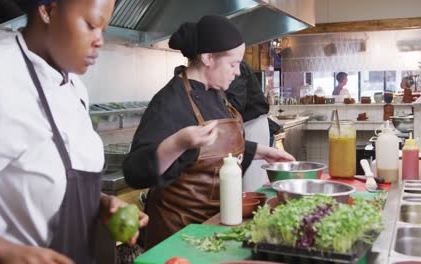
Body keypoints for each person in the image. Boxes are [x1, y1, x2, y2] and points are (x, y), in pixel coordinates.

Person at [0, 1, 148, 264]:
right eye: (91, 26)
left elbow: (45, 180)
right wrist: (6, 251)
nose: (99, 41)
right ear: (47, 10)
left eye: (103, 29)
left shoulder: (73, 86)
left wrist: (101, 203)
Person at [123, 15, 294, 249]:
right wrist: (179, 143)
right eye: (233, 64)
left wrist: (261, 152)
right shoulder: (170, 102)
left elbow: (215, 148)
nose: (237, 73)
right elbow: (134, 173)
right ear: (208, 58)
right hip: (178, 236)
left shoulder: (217, 94)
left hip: (213, 228)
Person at [225, 61, 285, 191]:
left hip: (251, 126)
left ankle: (258, 210)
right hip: (238, 127)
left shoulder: (234, 65)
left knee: (252, 185)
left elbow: (235, 104)